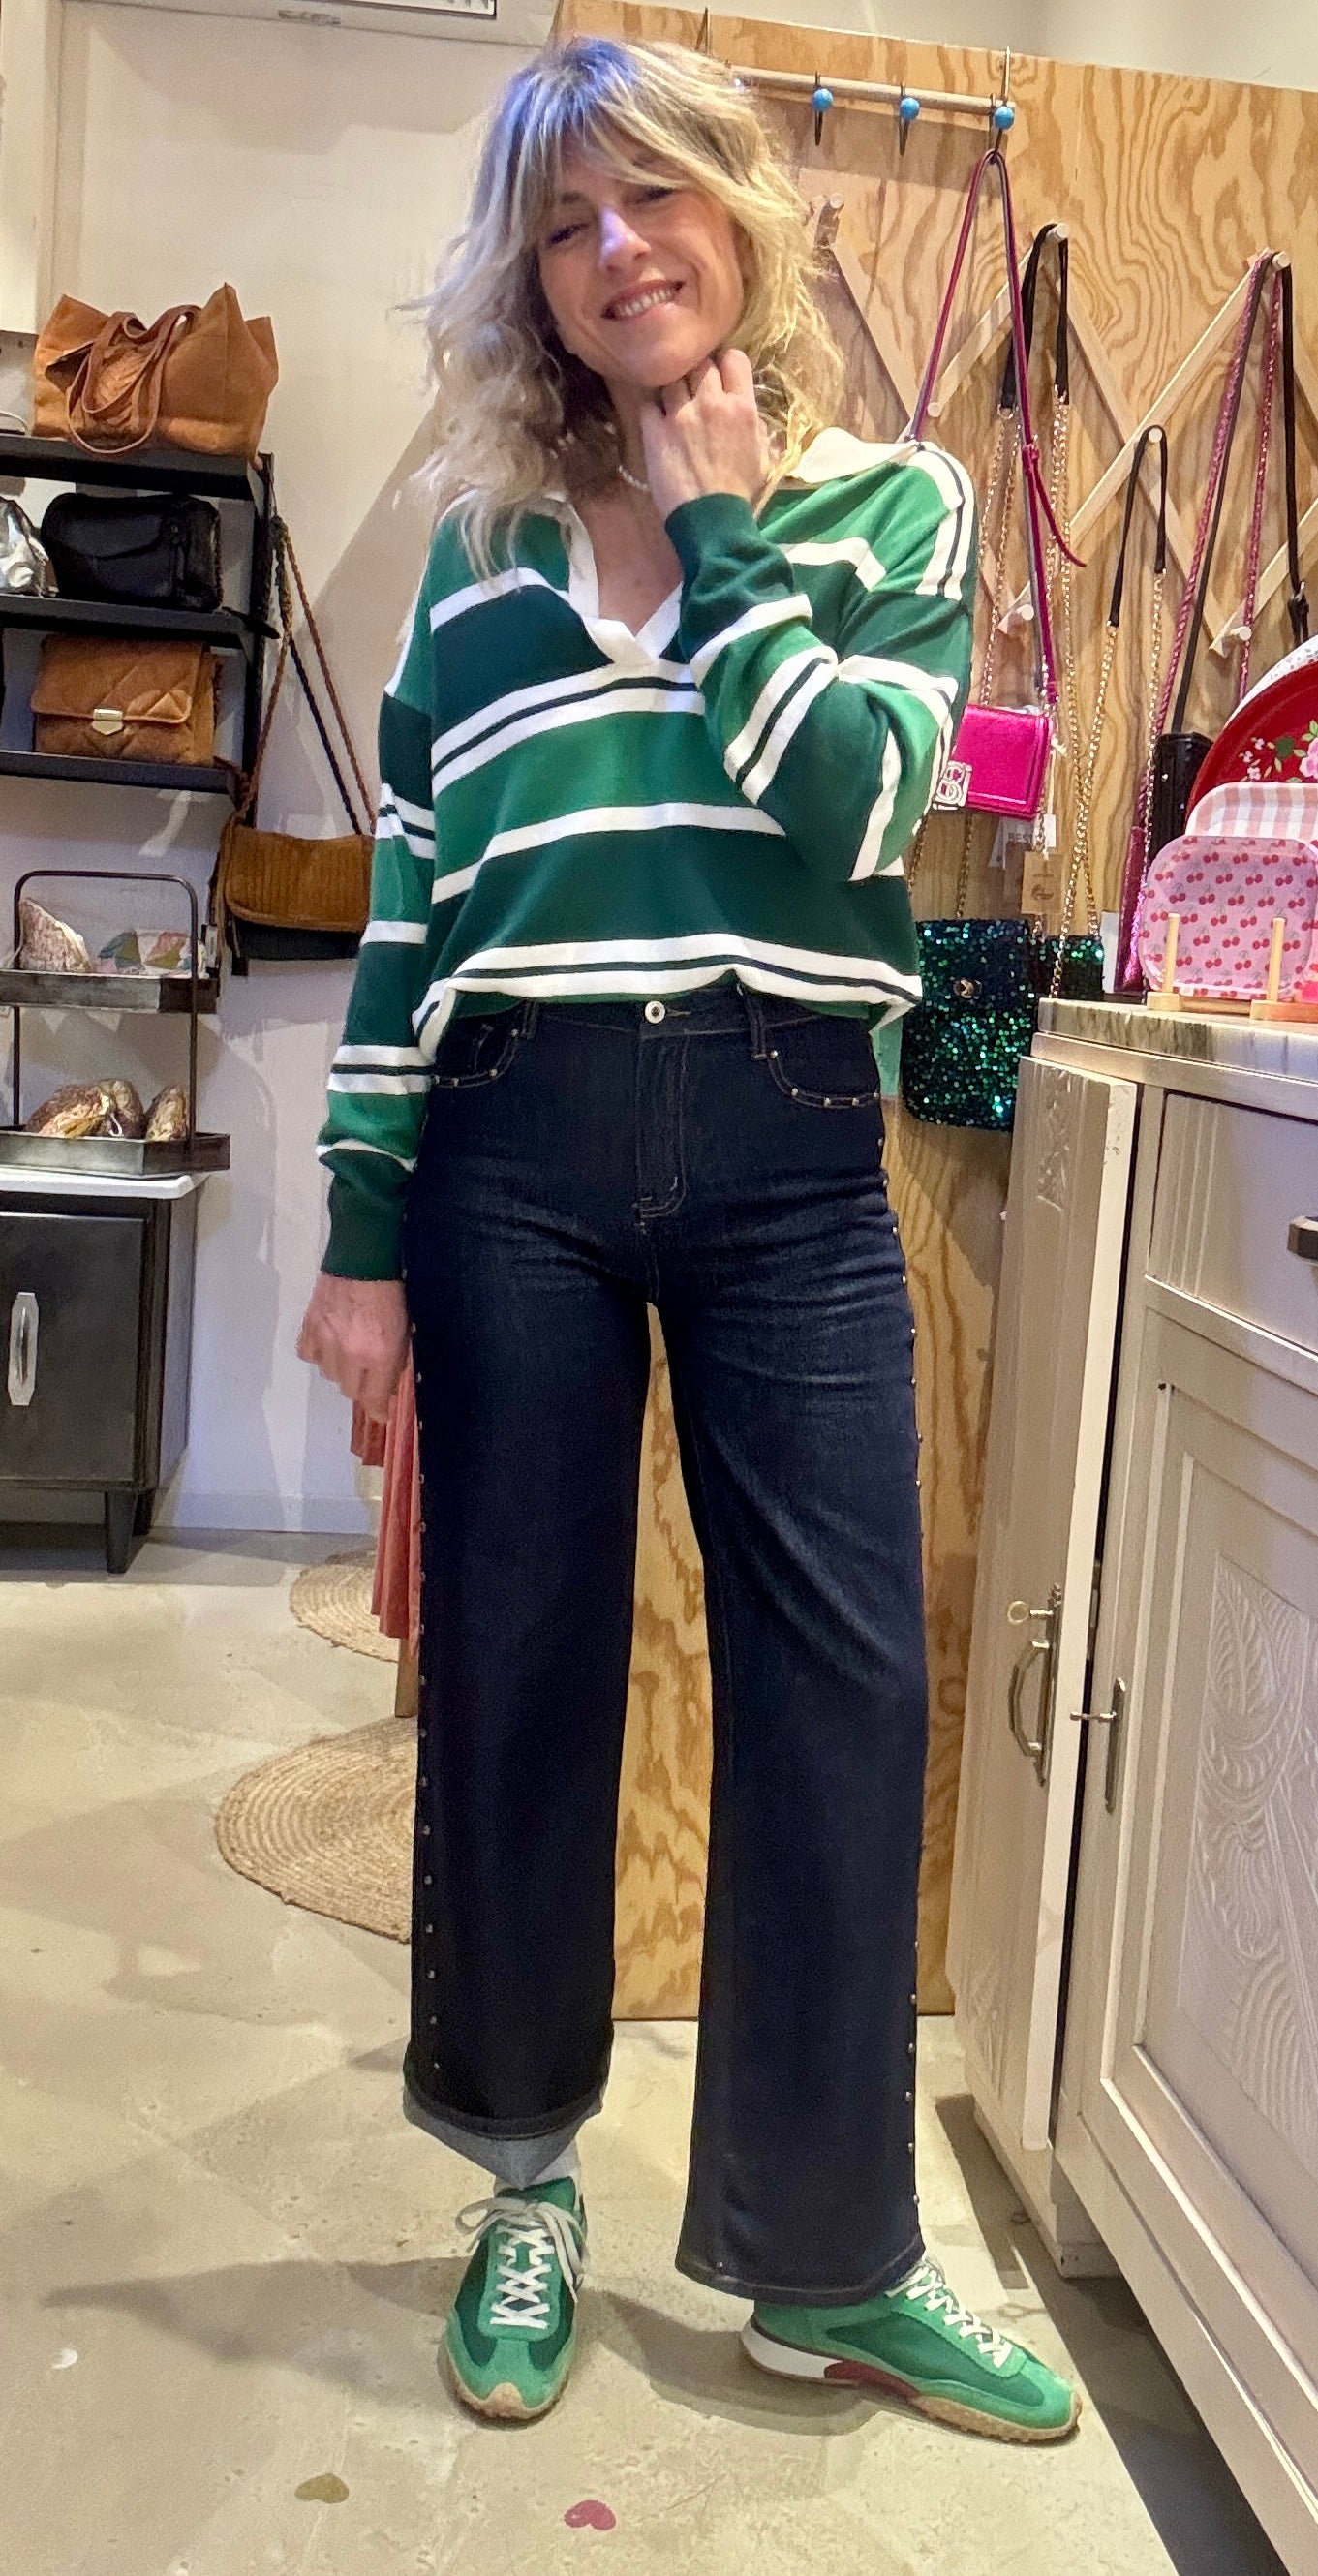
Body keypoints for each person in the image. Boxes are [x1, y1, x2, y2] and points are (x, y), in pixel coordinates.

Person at [298, 34, 1078, 2444]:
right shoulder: (477, 571)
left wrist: (730, 535)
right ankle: (526, 2187)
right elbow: (412, 919)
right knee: (518, 1666)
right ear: (528, 280)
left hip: (786, 1135)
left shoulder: (896, 510)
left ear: (742, 211)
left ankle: (833, 2258)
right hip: (510, 1146)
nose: (617, 249)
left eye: (653, 196)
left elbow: (856, 809)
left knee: (843, 1680)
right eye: (564, 223)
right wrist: (357, 1239)